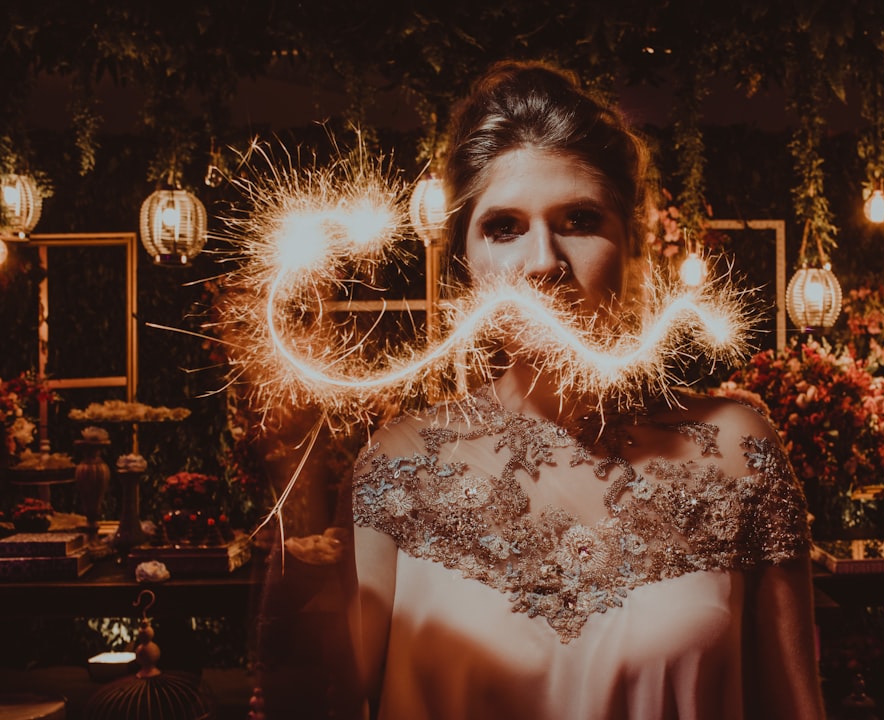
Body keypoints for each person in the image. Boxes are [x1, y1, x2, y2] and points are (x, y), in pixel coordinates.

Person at [347, 60, 826, 719]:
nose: (543, 261)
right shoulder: (398, 462)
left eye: (578, 220)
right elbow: (318, 697)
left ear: (633, 253)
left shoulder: (737, 449)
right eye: (504, 227)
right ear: (467, 266)